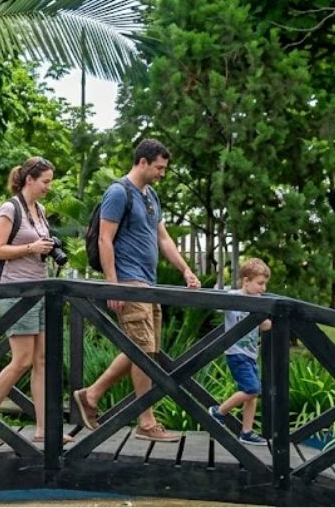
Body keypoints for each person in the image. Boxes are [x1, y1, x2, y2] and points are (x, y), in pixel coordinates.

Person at [73, 138, 202, 443]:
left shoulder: (151, 196)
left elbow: (164, 239)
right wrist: (113, 285)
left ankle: (90, 395)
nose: (163, 173)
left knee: (148, 352)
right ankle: (146, 421)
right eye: (159, 167)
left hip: (149, 285)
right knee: (142, 351)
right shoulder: (119, 192)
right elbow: (105, 240)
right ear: (142, 162)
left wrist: (186, 269)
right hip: (129, 283)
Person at [0, 157, 70, 444]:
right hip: (17, 291)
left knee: (42, 360)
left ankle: (45, 428)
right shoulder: (9, 208)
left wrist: (47, 248)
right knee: (22, 360)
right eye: (45, 182)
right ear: (30, 179)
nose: (48, 187)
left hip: (40, 288)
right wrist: (31, 246)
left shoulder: (39, 211)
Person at [208, 258, 273, 446]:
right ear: (246, 281)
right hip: (236, 353)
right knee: (251, 389)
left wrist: (270, 320)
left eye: (265, 284)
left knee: (252, 395)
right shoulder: (234, 296)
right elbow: (215, 303)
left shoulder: (258, 302)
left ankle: (246, 432)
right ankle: (218, 411)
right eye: (260, 284)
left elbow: (265, 325)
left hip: (251, 354)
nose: (263, 288)